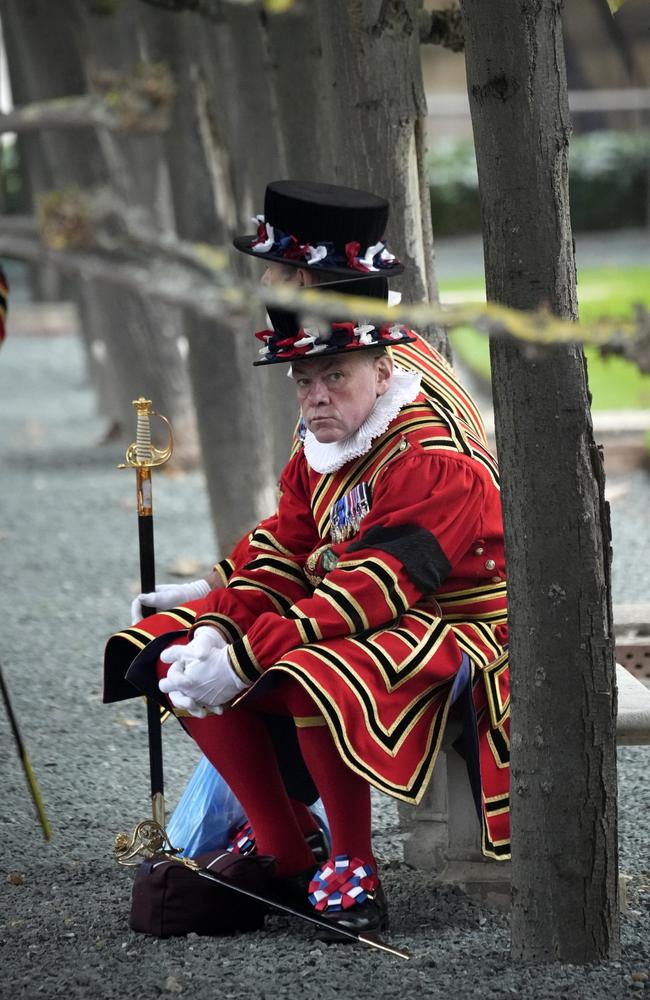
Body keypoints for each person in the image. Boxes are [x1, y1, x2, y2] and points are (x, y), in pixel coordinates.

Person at [104, 184, 509, 938]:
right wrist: (217, 605)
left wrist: (248, 642)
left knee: (307, 670)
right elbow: (297, 533)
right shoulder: (336, 383)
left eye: (278, 271)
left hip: (453, 619)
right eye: (306, 380)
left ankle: (350, 862)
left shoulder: (420, 435)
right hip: (362, 597)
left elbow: (379, 581)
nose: (262, 286)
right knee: (164, 647)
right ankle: (289, 849)